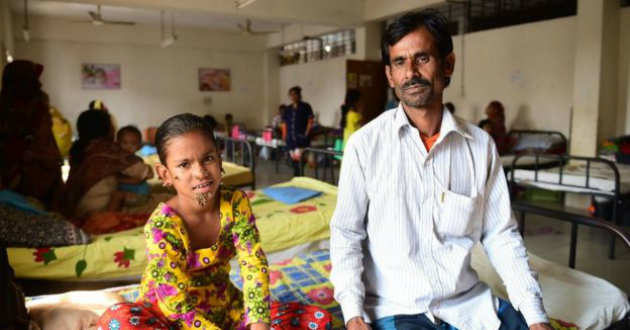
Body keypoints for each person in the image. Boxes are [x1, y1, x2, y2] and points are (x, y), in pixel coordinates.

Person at [330, 10, 553, 330]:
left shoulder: (479, 147)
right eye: (399, 62)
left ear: (447, 64)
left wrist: (535, 316)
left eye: (422, 58)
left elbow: (501, 236)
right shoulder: (366, 146)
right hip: (397, 305)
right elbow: (347, 235)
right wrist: (353, 315)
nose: (410, 72)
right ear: (390, 76)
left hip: (468, 304)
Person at [96, 113, 332, 330]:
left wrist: (259, 324)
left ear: (220, 160)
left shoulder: (236, 203)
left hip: (226, 309)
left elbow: (253, 264)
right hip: (171, 319)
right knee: (117, 319)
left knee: (318, 320)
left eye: (207, 158)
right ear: (166, 174)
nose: (200, 172)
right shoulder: (162, 226)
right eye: (184, 164)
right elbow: (175, 305)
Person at [61, 110, 153, 219]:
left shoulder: (79, 148)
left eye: (133, 143)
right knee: (166, 202)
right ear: (107, 129)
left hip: (73, 210)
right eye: (112, 125)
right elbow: (148, 173)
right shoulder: (108, 150)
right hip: (99, 210)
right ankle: (108, 220)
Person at [0, 60, 63, 210]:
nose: (39, 84)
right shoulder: (5, 111)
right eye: (34, 80)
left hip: (47, 175)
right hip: (19, 178)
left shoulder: (38, 102)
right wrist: (37, 157)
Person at [115, 125, 154, 210]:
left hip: (138, 195)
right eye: (125, 143)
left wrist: (118, 180)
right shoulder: (121, 159)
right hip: (134, 191)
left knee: (117, 196)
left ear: (139, 146)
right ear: (118, 144)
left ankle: (110, 215)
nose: (129, 146)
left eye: (133, 143)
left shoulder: (135, 161)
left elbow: (138, 180)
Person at [282, 86, 314, 176]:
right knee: (293, 158)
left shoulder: (306, 106)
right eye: (291, 95)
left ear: (299, 95)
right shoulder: (287, 109)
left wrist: (306, 134)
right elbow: (284, 124)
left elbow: (310, 121)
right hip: (290, 138)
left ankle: (298, 175)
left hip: (301, 138)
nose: (293, 97)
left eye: (295, 94)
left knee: (301, 158)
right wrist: (284, 136)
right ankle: (297, 175)